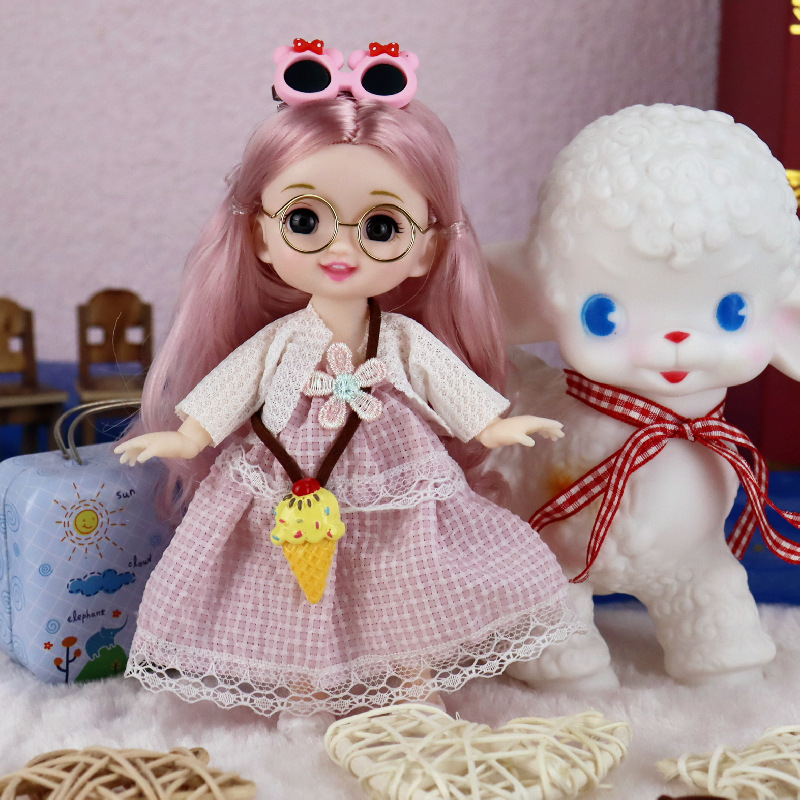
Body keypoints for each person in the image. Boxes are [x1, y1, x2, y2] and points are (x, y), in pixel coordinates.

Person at [116, 41, 579, 725]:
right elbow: (237, 383)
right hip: (285, 474)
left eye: (381, 227)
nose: (341, 248)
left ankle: (412, 678)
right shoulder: (282, 339)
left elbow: (442, 377)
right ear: (261, 237)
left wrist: (493, 423)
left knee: (403, 568)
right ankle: (304, 688)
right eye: (305, 221)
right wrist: (186, 435)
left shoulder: (396, 337)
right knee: (286, 581)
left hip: (394, 467)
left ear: (426, 248)